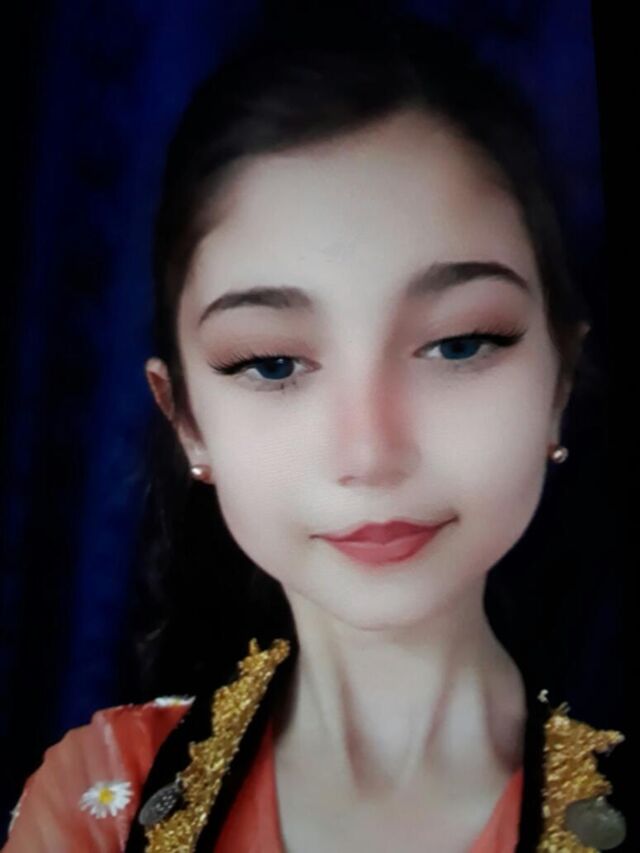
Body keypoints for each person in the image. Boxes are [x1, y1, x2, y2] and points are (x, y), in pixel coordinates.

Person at [4, 4, 625, 852]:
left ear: (560, 381)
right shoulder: (101, 803)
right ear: (185, 419)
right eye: (271, 363)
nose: (369, 453)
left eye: (458, 343)